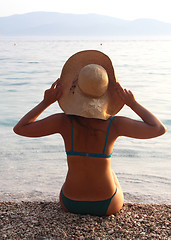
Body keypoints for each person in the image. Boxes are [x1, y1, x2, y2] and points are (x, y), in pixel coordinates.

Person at [13, 50, 167, 216]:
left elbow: (20, 128)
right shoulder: (114, 125)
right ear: (105, 93)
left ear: (75, 88)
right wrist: (132, 103)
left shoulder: (63, 122)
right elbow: (158, 128)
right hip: (106, 204)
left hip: (70, 202)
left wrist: (46, 102)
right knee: (112, 174)